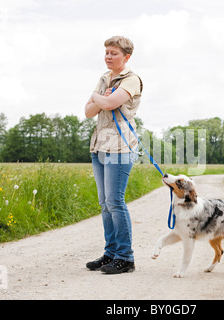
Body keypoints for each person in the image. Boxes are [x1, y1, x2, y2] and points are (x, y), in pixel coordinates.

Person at [84, 36, 142, 274]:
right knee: (105, 204)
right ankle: (110, 253)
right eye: (106, 52)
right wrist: (102, 96)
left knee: (115, 202)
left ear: (126, 57)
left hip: (120, 147)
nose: (108, 56)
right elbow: (88, 111)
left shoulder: (132, 80)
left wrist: (99, 97)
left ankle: (125, 257)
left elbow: (106, 104)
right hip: (99, 146)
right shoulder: (104, 78)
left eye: (113, 53)